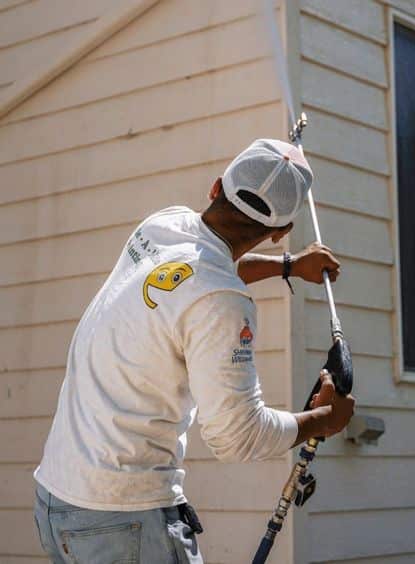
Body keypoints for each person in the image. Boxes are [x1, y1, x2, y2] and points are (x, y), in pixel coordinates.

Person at [33, 139, 356, 563]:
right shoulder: (223, 300)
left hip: (57, 500)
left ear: (215, 187)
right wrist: (324, 420)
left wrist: (289, 267)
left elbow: (203, 271)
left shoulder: (161, 226)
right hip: (123, 520)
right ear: (280, 231)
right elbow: (238, 437)